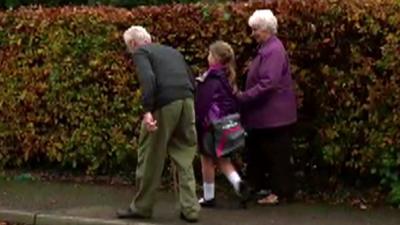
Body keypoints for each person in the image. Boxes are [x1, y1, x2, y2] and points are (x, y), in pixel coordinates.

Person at [117, 26, 200, 223]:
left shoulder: (141, 52)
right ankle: (190, 209)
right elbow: (191, 79)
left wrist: (147, 110)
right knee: (184, 155)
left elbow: (148, 79)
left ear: (133, 43)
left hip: (164, 104)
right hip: (187, 101)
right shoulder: (172, 51)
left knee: (150, 155)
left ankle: (142, 207)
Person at [236, 9, 297, 205]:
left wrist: (245, 97)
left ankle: (280, 192)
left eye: (255, 30)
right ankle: (265, 188)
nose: (252, 34)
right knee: (262, 151)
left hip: (274, 115)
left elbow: (268, 82)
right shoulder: (268, 48)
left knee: (277, 155)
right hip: (267, 115)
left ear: (266, 29)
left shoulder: (273, 50)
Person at [195, 41, 249, 207]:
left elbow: (203, 104)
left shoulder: (210, 78)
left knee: (207, 160)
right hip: (225, 125)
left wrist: (199, 122)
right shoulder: (227, 77)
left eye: (210, 54)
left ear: (216, 58)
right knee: (223, 159)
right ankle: (237, 182)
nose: (207, 57)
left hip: (210, 125)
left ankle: (209, 196)